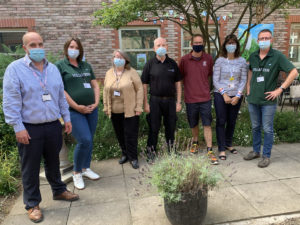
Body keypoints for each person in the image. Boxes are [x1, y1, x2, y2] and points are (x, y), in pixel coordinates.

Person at [2, 32, 79, 223]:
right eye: (32, 45)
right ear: (25, 47)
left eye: (40, 44)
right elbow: (11, 102)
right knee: (30, 167)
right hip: (29, 127)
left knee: (53, 161)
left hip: (53, 125)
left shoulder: (52, 69)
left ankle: (59, 190)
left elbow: (60, 96)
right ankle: (33, 203)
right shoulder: (15, 69)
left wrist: (66, 118)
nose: (37, 48)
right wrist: (18, 127)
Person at [245, 29, 299, 168]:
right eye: (261, 38)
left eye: (266, 38)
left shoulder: (277, 56)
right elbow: (250, 70)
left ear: (271, 39)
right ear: (257, 41)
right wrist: (248, 88)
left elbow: (294, 72)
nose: (264, 41)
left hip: (268, 101)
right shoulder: (253, 56)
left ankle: (266, 156)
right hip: (253, 100)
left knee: (267, 128)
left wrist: (280, 90)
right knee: (256, 127)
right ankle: (256, 151)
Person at [55, 38, 100, 190]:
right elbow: (62, 90)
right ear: (66, 48)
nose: (74, 49)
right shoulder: (60, 66)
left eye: (77, 47)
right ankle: (76, 172)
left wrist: (96, 102)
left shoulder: (86, 65)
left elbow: (95, 85)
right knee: (84, 140)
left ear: (80, 50)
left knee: (90, 139)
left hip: (91, 109)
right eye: (71, 46)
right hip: (74, 111)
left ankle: (85, 168)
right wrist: (77, 106)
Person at [179, 34, 218, 165]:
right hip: (190, 98)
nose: (198, 44)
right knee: (193, 123)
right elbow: (181, 77)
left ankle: (209, 149)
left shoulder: (208, 58)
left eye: (200, 42)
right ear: (191, 44)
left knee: (207, 123)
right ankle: (195, 142)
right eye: (195, 42)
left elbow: (209, 75)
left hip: (205, 98)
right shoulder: (184, 60)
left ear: (203, 44)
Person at [103, 50, 143, 169]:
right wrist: (106, 106)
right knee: (120, 134)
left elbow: (140, 89)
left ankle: (133, 157)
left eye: (120, 57)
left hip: (130, 111)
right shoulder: (109, 73)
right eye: (115, 56)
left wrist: (139, 107)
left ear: (126, 59)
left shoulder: (132, 72)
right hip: (115, 111)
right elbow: (105, 91)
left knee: (130, 135)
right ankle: (125, 154)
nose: (117, 59)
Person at [142, 37, 182, 155]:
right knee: (154, 128)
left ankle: (172, 152)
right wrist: (145, 103)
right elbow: (144, 85)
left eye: (163, 45)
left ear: (167, 47)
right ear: (154, 48)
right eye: (158, 45)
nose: (161, 47)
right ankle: (151, 153)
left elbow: (178, 84)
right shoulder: (149, 64)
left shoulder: (173, 63)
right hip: (155, 101)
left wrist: (178, 102)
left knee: (170, 128)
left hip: (170, 101)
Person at [213, 34, 248, 160]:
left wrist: (238, 96)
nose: (231, 45)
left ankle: (228, 143)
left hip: (236, 96)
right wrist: (224, 94)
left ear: (237, 45)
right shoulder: (220, 60)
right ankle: (221, 148)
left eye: (233, 43)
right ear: (225, 45)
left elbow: (243, 79)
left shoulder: (242, 61)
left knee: (232, 121)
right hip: (221, 94)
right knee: (221, 120)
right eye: (229, 43)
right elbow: (215, 80)